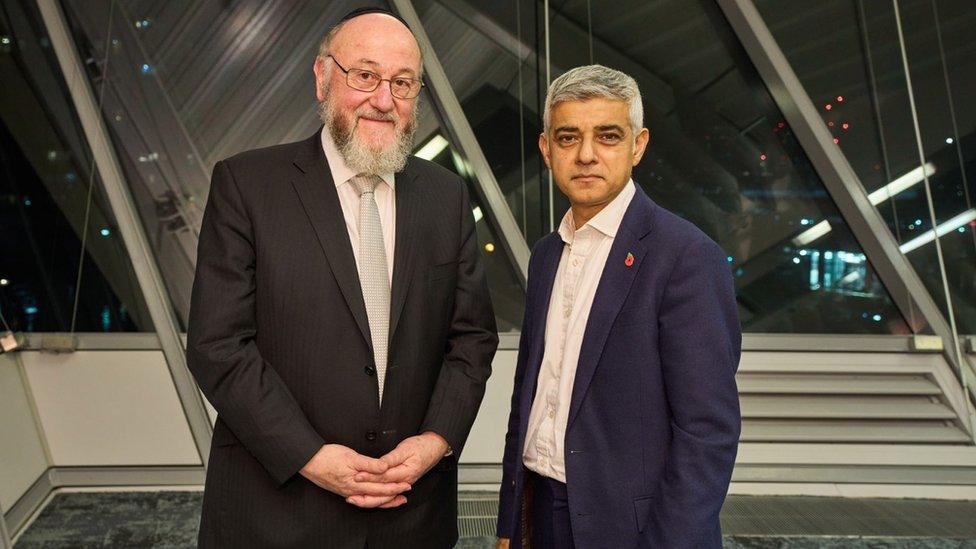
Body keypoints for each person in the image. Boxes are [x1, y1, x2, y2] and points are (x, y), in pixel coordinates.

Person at [186, 8, 497, 548]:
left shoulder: (446, 196)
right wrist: (309, 455)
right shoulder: (246, 184)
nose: (384, 99)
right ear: (323, 77)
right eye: (365, 75)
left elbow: (471, 337)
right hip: (277, 510)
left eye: (402, 83)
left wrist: (437, 440)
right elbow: (218, 345)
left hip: (411, 513)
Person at [495, 65, 741, 548]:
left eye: (607, 136)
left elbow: (707, 433)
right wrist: (509, 524)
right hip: (539, 512)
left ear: (638, 145)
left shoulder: (687, 256)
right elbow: (528, 396)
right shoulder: (547, 255)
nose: (586, 155)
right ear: (547, 150)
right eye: (568, 138)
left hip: (633, 529)